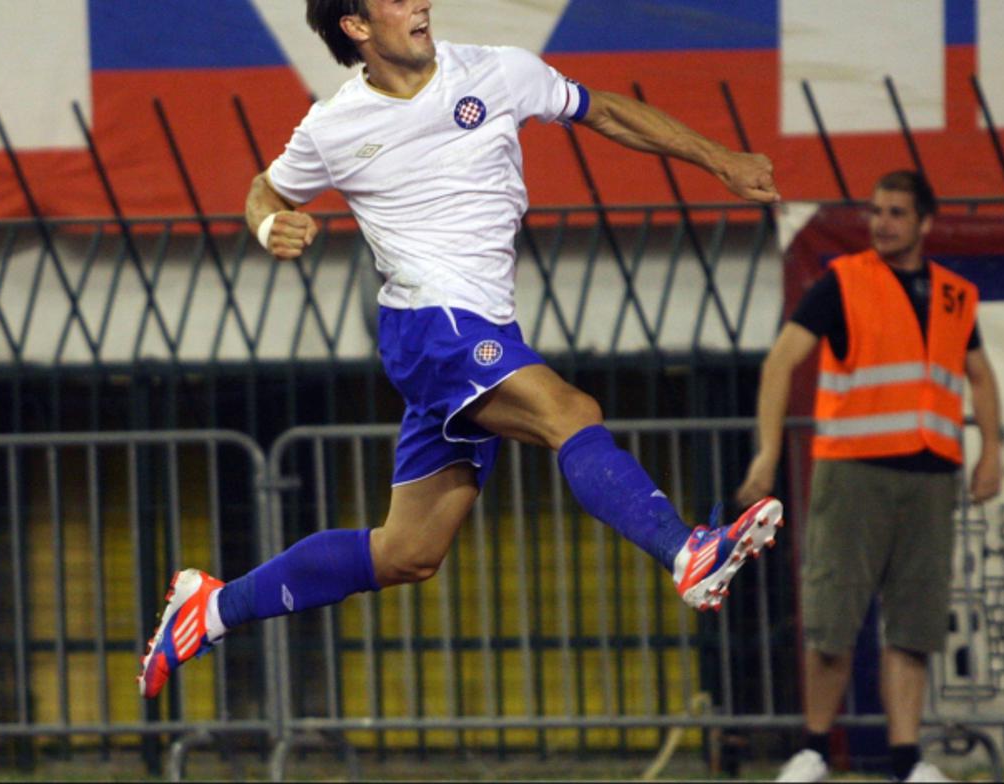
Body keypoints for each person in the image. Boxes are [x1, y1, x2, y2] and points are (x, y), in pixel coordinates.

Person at [138, 0, 784, 699]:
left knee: (407, 553)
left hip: (483, 330)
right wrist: (270, 229)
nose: (420, 3)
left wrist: (719, 158)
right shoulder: (334, 124)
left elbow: (605, 111)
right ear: (356, 26)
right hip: (429, 326)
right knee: (570, 411)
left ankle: (211, 608)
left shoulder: (498, 71)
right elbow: (266, 190)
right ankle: (685, 550)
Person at [735, 170, 1002, 782]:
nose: (882, 222)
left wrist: (991, 452)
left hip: (931, 477)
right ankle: (814, 750)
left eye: (897, 213)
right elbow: (781, 362)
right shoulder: (843, 282)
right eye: (877, 210)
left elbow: (980, 376)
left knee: (913, 623)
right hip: (853, 471)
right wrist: (767, 452)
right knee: (832, 617)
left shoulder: (956, 295)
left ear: (925, 222)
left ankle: (908, 761)